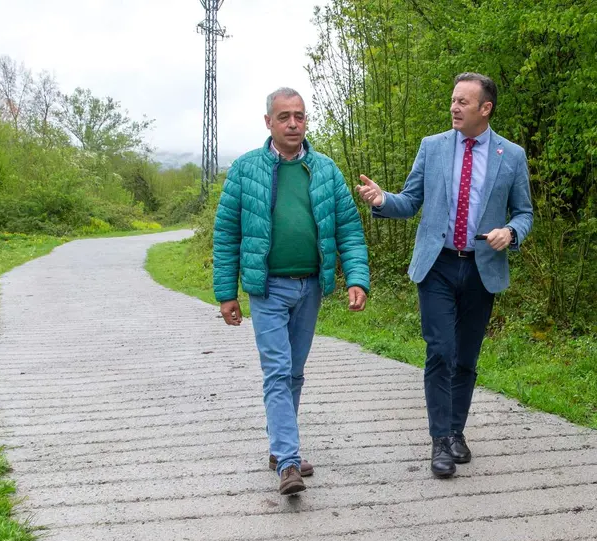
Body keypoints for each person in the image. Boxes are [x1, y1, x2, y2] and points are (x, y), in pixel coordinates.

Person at [355, 72, 533, 478]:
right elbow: (410, 201)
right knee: (440, 350)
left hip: (481, 266)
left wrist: (512, 232)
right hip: (436, 264)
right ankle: (439, 441)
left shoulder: (512, 155)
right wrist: (383, 200)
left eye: (463, 102)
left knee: (466, 356)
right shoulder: (432, 147)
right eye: (453, 100)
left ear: (485, 109)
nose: (454, 107)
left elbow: (524, 212)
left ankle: (456, 431)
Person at [213, 87, 370, 495]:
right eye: (284, 116)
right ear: (268, 122)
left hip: (310, 287)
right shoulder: (245, 170)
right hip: (267, 289)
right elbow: (227, 234)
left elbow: (349, 229)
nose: (293, 123)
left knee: (294, 373)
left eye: (299, 116)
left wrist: (357, 278)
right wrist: (226, 292)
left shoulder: (325, 170)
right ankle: (287, 461)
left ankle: (280, 446)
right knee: (278, 371)